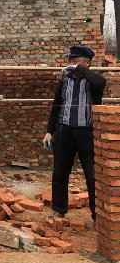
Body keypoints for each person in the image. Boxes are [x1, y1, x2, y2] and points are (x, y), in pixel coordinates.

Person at [43, 45, 106, 221]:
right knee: (60, 173)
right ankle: (59, 209)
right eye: (72, 62)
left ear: (87, 63)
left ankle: (97, 214)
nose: (72, 65)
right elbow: (56, 106)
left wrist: (81, 70)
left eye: (77, 62)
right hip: (64, 131)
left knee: (92, 175)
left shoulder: (93, 81)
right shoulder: (64, 80)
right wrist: (49, 131)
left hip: (87, 132)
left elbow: (101, 82)